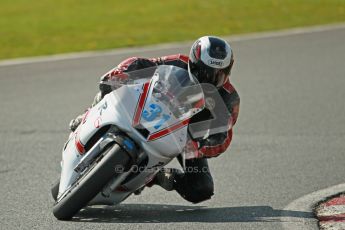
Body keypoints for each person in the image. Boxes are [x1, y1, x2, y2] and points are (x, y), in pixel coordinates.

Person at [70, 36, 240, 203]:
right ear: (193, 63)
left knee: (201, 189)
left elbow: (223, 137)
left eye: (219, 74)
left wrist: (200, 147)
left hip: (185, 137)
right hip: (152, 106)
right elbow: (141, 63)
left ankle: (156, 177)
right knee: (111, 87)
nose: (210, 79)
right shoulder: (178, 61)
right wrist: (120, 74)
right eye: (206, 72)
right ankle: (87, 114)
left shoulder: (229, 99)